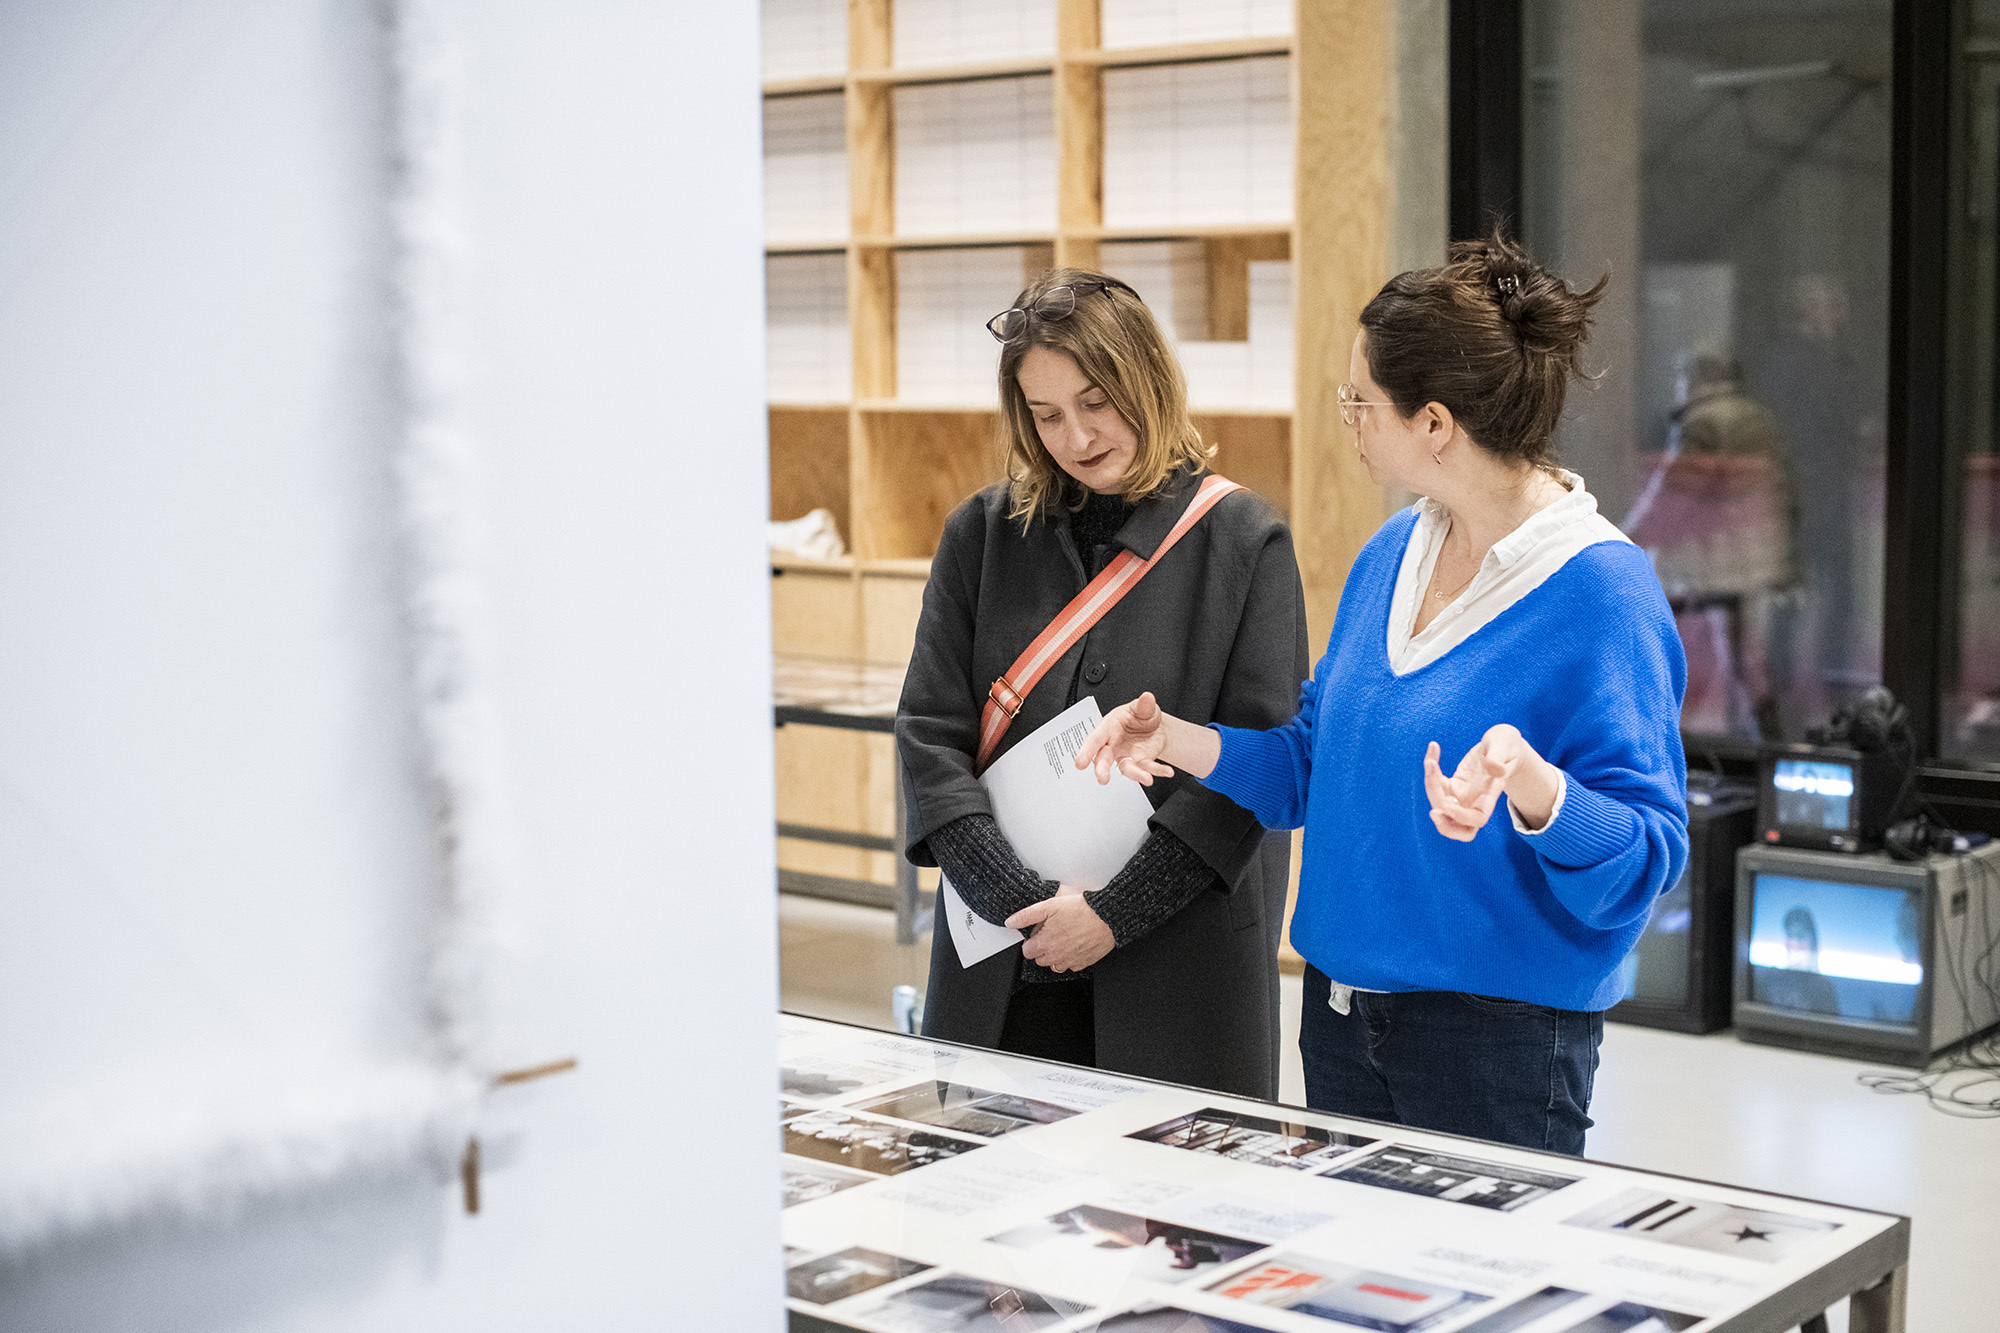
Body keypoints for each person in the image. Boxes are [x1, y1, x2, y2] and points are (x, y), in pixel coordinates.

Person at [1077, 235, 1690, 1155]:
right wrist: (1180, 740)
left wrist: (1531, 785)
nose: (1349, 419)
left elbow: (1647, 856)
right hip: (1340, 1016)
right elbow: (1312, 766)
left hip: (1500, 1041)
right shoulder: (1389, 557)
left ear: (1434, 423)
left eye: (1359, 400)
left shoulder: (1603, 591)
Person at [895, 268, 1308, 1100]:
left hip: (1179, 969)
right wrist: (1018, 899)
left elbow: (1257, 767)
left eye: (1096, 401)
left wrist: (1112, 915)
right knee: (988, 1204)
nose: (1076, 436)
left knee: (1172, 1218)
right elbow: (929, 733)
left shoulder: (1243, 540)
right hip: (1006, 962)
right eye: (1046, 415)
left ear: (1147, 381)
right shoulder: (982, 533)